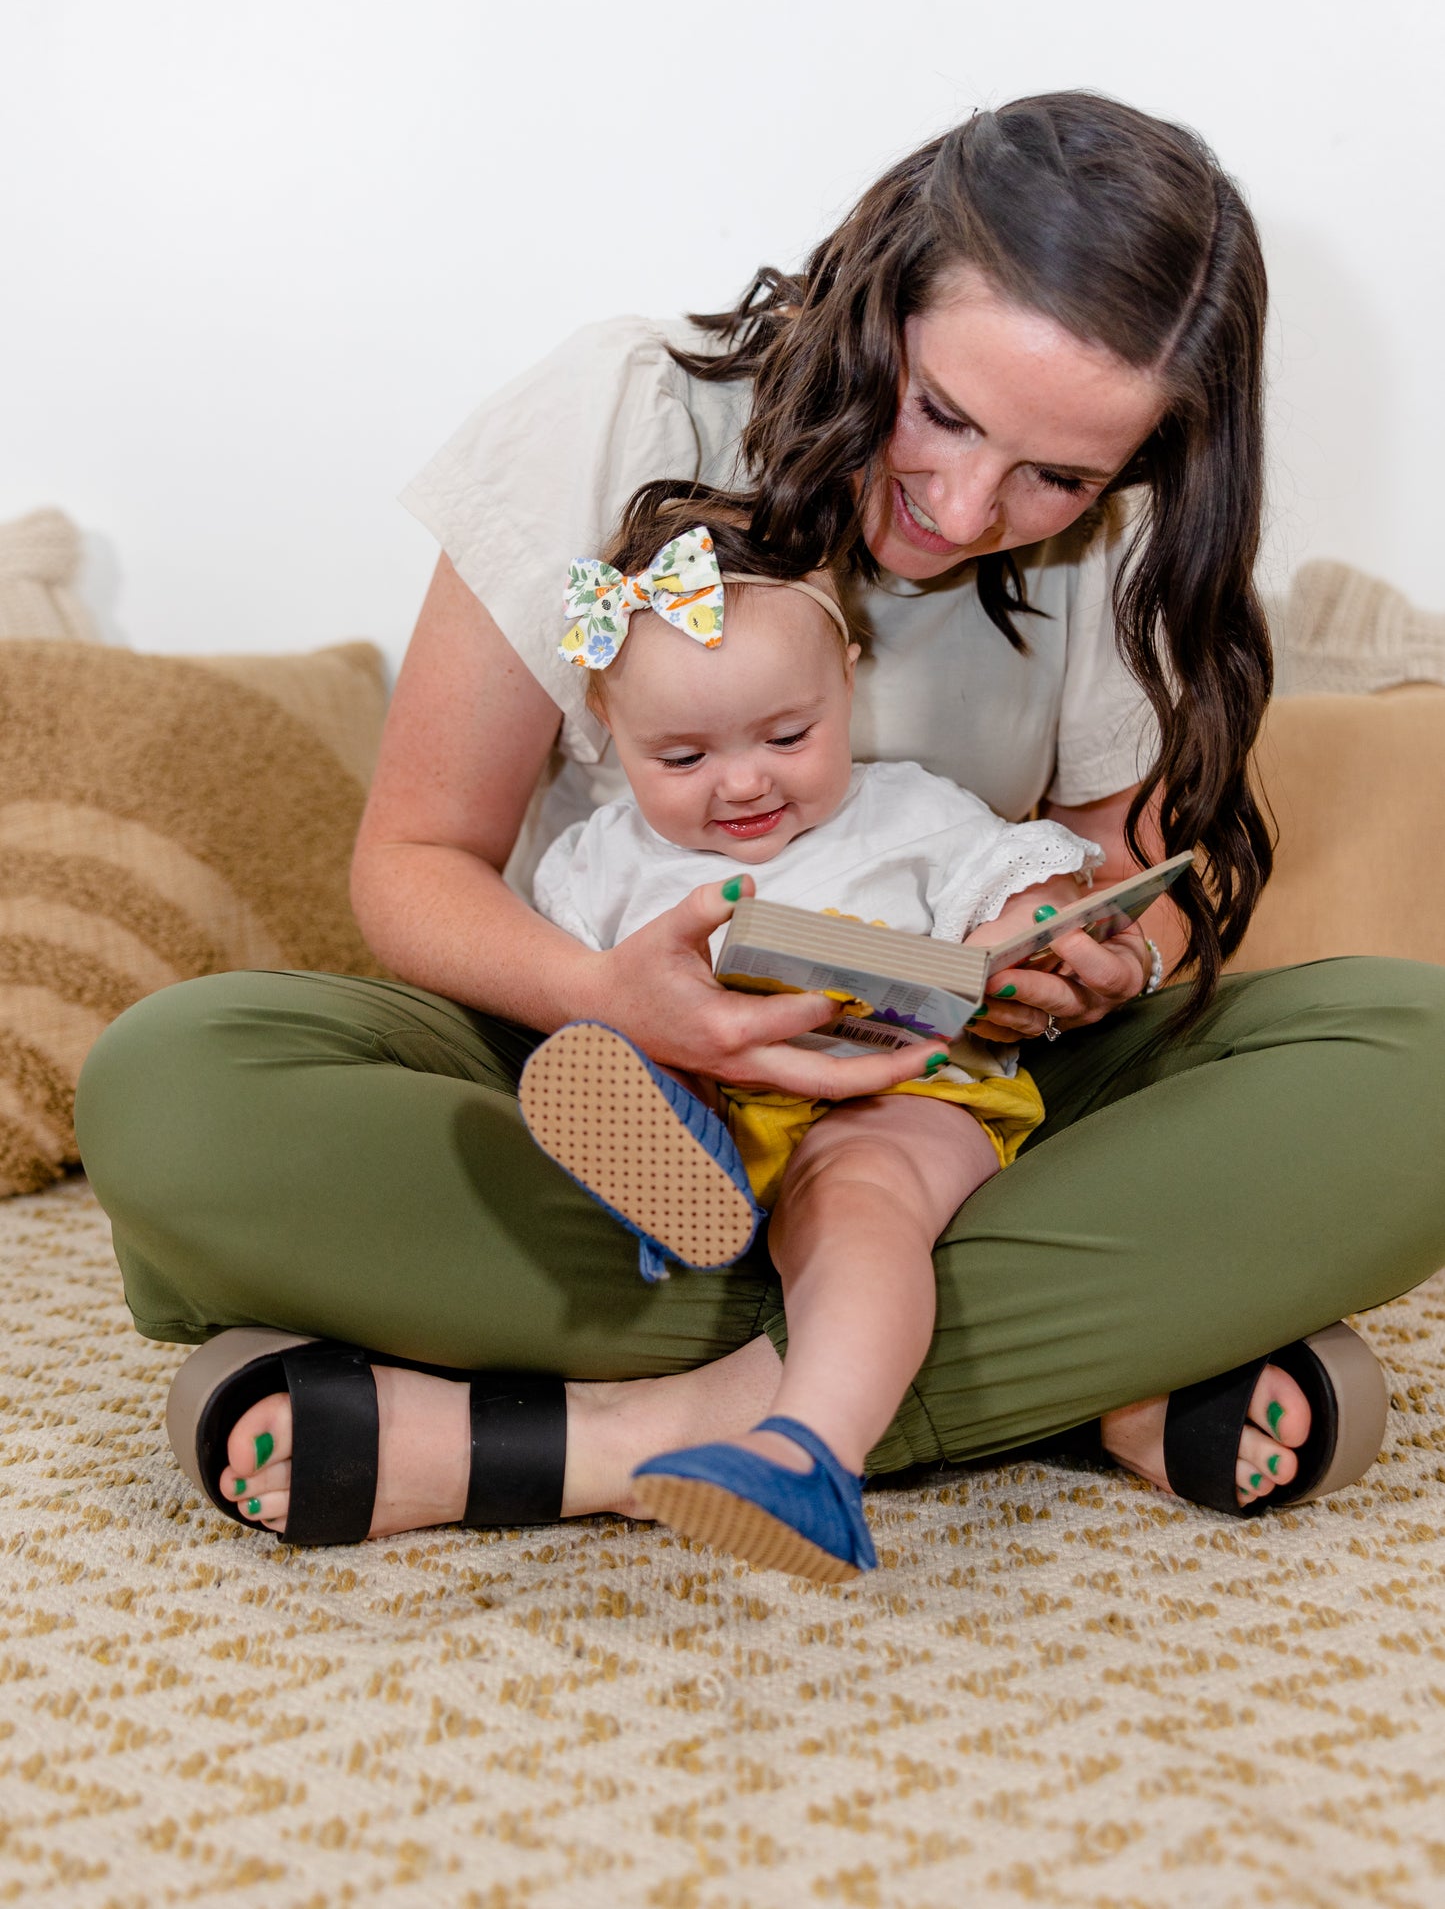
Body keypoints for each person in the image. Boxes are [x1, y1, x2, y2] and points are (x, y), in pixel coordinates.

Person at [75, 92, 1445, 1553]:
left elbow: (1124, 874)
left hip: (950, 1099)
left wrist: (1094, 955)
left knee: (1415, 1055)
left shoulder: (1125, 533)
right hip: (615, 1075)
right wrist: (612, 997)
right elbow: (416, 864)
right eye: (944, 411)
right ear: (877, 302)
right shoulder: (625, 402)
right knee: (176, 1078)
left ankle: (625, 1432)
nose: (970, 505)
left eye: (1058, 474)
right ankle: (1041, 1369)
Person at [518, 480, 1105, 1580]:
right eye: (681, 759)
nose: (742, 782)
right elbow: (569, 982)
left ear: (847, 679)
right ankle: (673, 1185)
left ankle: (808, 1459)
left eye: (787, 735)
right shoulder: (597, 861)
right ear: (609, 730)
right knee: (610, 1054)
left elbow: (1028, 876)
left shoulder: (910, 812)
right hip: (724, 1104)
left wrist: (1014, 936)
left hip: (896, 1089)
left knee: (856, 1196)